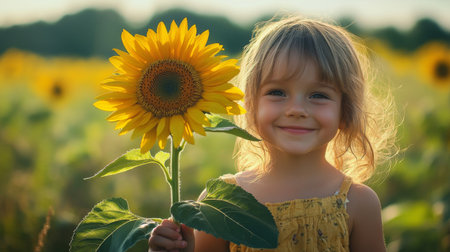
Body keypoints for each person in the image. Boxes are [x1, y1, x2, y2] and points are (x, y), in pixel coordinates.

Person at [148, 15, 397, 252]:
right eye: (277, 92)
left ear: (345, 111)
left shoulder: (358, 203)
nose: (296, 110)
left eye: (318, 95)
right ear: (252, 105)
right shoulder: (222, 202)